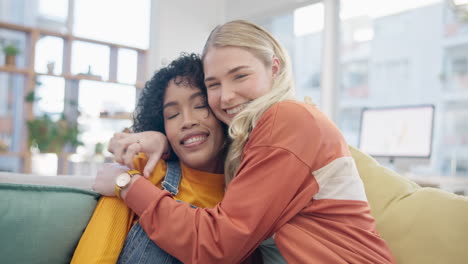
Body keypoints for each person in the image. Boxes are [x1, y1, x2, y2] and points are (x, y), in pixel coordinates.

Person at [101, 20, 396, 263]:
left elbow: (217, 244)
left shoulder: (286, 118)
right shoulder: (251, 140)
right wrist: (162, 140)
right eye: (213, 85)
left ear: (274, 69)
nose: (226, 96)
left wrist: (127, 184)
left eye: (240, 76)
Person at [72, 53, 263, 263]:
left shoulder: (250, 187)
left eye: (200, 106)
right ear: (162, 126)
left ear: (224, 111)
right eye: (172, 115)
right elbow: (94, 257)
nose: (187, 122)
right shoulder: (139, 173)